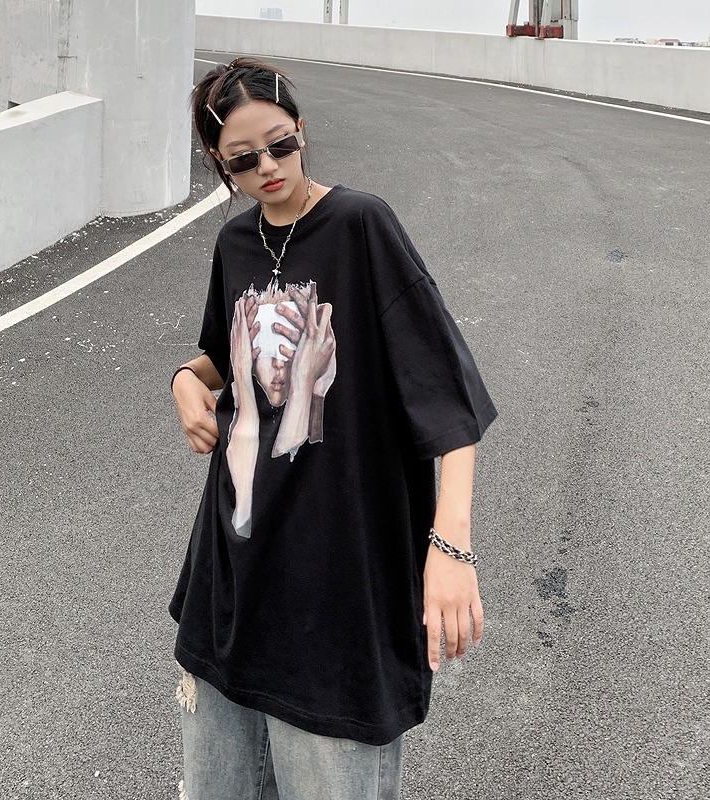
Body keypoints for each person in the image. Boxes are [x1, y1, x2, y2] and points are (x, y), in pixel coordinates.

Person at [169, 57, 497, 800]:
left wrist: (450, 546)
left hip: (339, 590)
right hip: (232, 580)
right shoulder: (235, 245)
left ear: (301, 130)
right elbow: (221, 355)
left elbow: (448, 398)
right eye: (242, 160)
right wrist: (186, 379)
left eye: (279, 145)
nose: (267, 168)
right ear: (219, 164)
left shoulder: (360, 226)